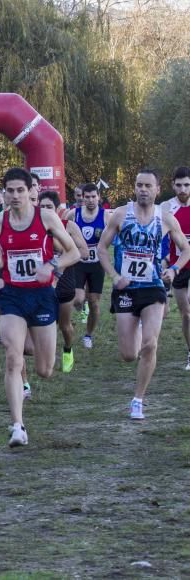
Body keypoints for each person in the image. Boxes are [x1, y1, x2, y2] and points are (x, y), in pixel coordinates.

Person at [0, 168, 79, 447]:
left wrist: (51, 265)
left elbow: (73, 252)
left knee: (44, 370)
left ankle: (46, 355)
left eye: (20, 190)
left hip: (41, 295)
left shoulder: (46, 217)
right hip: (12, 296)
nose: (14, 196)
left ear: (31, 192)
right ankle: (17, 426)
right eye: (9, 191)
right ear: (3, 193)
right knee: (13, 357)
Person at [98, 169, 188, 419]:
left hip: (153, 288)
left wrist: (174, 268)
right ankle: (136, 330)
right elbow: (102, 248)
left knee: (150, 344)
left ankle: (138, 399)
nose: (143, 190)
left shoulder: (166, 218)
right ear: (134, 188)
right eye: (139, 185)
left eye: (148, 185)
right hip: (126, 288)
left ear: (159, 189)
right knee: (128, 355)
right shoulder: (120, 214)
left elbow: (186, 249)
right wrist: (115, 278)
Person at [39, 191, 87, 374]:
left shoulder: (69, 226)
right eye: (41, 207)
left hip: (64, 280)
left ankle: (68, 349)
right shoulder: (34, 227)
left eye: (49, 207)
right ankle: (46, 357)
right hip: (42, 280)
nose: (45, 210)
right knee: (45, 322)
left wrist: (61, 257)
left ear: (58, 209)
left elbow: (83, 252)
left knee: (64, 325)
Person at [67, 183, 109, 349]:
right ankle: (79, 304)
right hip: (78, 263)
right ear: (82, 198)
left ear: (98, 197)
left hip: (97, 264)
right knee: (77, 299)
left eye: (94, 196)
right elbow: (62, 231)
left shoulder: (106, 216)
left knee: (94, 303)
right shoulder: (73, 214)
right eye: (87, 197)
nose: (91, 200)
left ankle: (88, 335)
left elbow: (116, 236)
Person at [164, 166, 190, 370]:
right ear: (173, 185)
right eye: (179, 185)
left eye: (187, 185)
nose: (183, 189)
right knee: (186, 314)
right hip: (178, 266)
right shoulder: (166, 208)